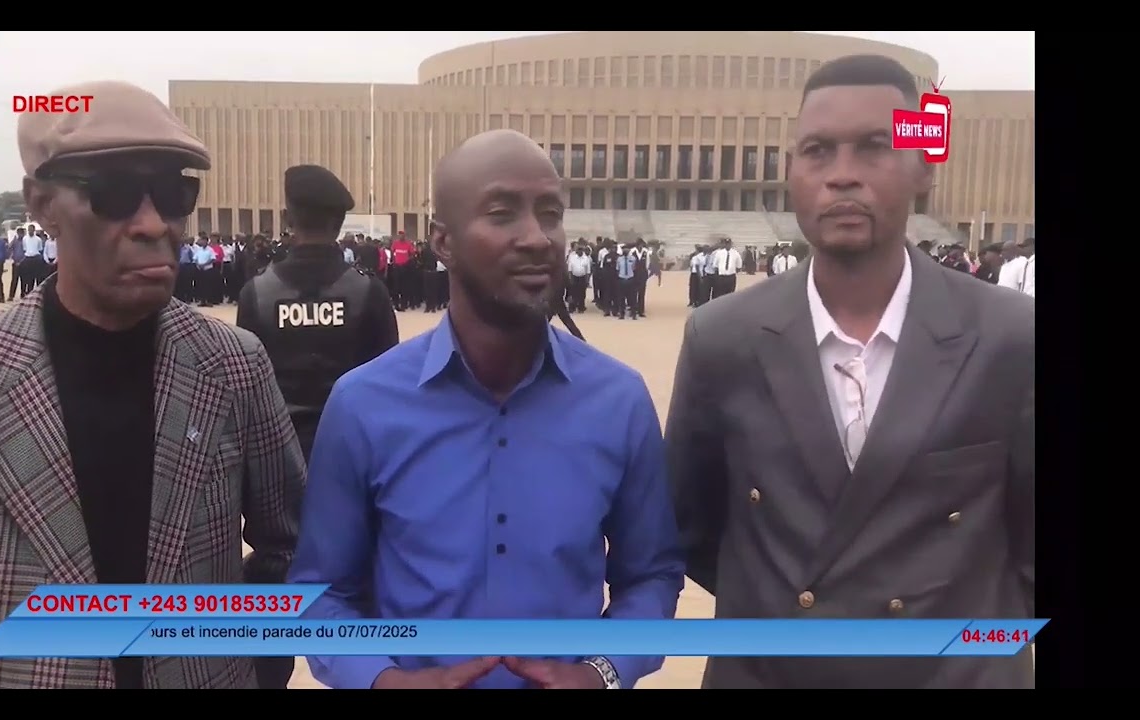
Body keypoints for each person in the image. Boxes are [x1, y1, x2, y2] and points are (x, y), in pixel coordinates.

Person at [666, 55, 1034, 689]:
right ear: (790, 174)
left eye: (874, 148)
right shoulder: (722, 338)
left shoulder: (1012, 337)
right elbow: (694, 530)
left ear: (925, 165)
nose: (843, 176)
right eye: (817, 151)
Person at [288, 129, 684, 690]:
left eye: (550, 213)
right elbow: (324, 595)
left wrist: (602, 673)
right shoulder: (363, 405)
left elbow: (652, 575)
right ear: (443, 243)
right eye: (503, 213)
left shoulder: (618, 401)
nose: (537, 237)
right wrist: (384, 680)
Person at [0, 80, 307, 689]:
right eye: (115, 193)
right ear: (41, 204)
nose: (154, 224)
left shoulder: (233, 366)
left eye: (175, 193)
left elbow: (293, 544)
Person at [237, 164, 399, 464]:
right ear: (339, 223)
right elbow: (388, 386)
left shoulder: (256, 294)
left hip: (278, 458)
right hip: (352, 453)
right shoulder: (368, 292)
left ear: (288, 219)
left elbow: (245, 395)